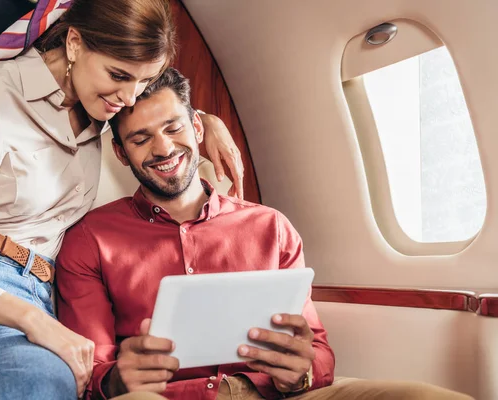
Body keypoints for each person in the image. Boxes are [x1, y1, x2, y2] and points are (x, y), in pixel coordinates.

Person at [56, 68, 475, 400]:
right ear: (120, 153)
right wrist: (115, 382)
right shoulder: (89, 241)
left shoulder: (271, 227)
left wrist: (301, 371)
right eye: (141, 139)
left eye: (174, 128)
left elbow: (319, 353)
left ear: (198, 129)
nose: (163, 149)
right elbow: (91, 373)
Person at [0, 1, 244, 399]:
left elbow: (158, 111)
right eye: (119, 76)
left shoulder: (104, 98)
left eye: (141, 81)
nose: (130, 99)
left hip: (29, 290)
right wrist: (34, 321)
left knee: (41, 388)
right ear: (75, 44)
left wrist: (207, 122)